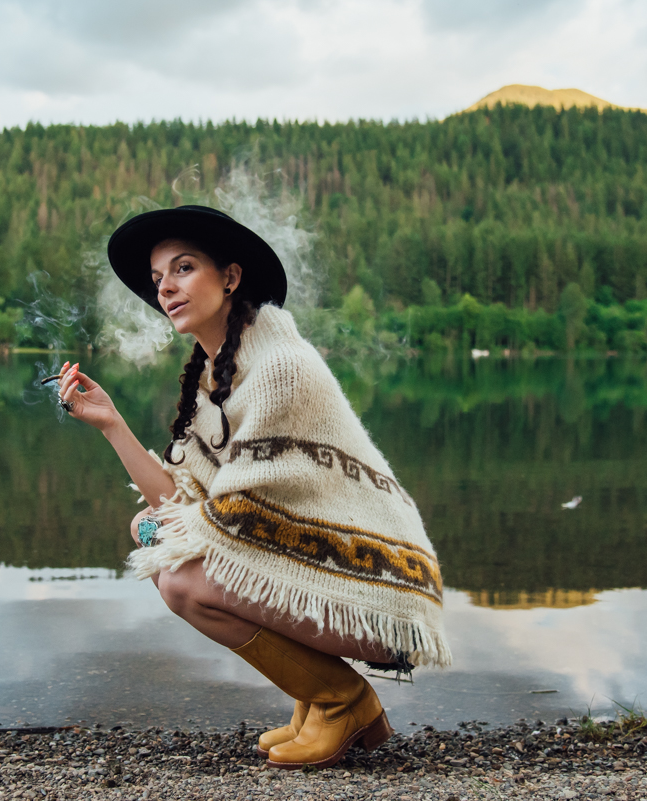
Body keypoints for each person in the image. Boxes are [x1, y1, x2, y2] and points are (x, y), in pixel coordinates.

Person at [56, 205, 450, 770]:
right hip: (325, 574)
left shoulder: (279, 368)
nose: (166, 287)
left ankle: (342, 700)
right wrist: (111, 423)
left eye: (184, 268)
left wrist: (172, 533)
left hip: (377, 594)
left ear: (231, 277)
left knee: (181, 581)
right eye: (157, 278)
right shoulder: (220, 376)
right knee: (152, 535)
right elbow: (184, 507)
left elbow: (232, 524)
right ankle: (315, 700)